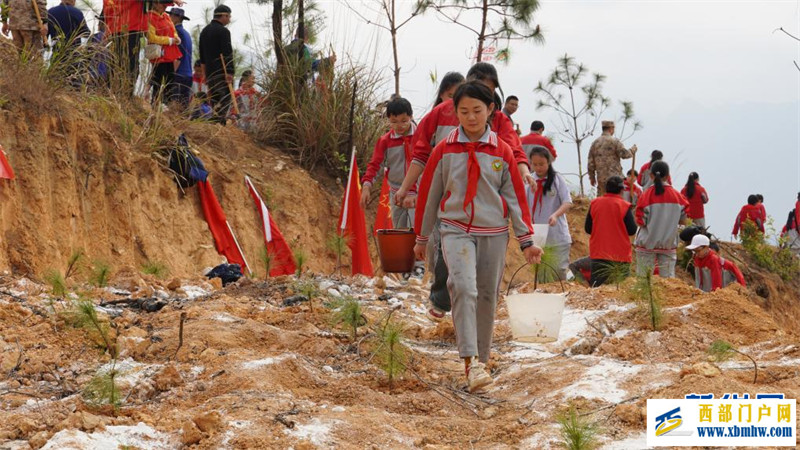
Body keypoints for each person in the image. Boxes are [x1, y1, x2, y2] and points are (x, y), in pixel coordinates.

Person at [412, 80, 542, 393]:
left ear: (491, 111)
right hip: (455, 229)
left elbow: (515, 199)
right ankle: (470, 360)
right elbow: (430, 194)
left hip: (494, 234)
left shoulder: (502, 151)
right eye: (464, 111)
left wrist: (526, 240)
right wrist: (421, 236)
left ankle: (482, 361)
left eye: (477, 111)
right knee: (463, 287)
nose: (471, 117)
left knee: (486, 296)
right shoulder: (445, 149)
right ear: (455, 112)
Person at [394, 62, 532, 321]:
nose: (476, 111)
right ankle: (442, 298)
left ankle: (471, 313)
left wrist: (524, 170)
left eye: (489, 93)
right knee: (447, 255)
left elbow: (513, 151)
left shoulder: (498, 119)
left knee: (479, 266)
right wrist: (405, 187)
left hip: (485, 202)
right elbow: (421, 154)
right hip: (448, 198)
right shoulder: (439, 115)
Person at [361, 97, 416, 229]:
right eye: (394, 122)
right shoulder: (385, 141)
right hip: (397, 193)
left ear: (411, 116)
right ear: (388, 121)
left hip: (418, 193)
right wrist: (367, 186)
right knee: (400, 232)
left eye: (404, 121)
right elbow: (376, 165)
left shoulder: (421, 137)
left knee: (416, 232)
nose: (399, 125)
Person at [634, 161, 688, 277]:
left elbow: (640, 221)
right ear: (668, 176)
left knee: (643, 280)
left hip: (647, 244)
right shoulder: (678, 197)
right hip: (668, 244)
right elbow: (683, 221)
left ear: (651, 175)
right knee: (668, 281)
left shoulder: (646, 195)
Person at [527, 146, 572, 279]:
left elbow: (567, 202)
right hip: (538, 237)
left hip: (557, 236)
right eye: (535, 164)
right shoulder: (529, 181)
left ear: (549, 162)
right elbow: (523, 205)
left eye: (541, 164)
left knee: (558, 274)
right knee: (541, 276)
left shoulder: (557, 179)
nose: (538, 168)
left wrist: (555, 215)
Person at [585, 176, 638, 286]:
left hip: (599, 254)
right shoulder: (624, 205)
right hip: (620, 256)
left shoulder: (595, 203)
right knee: (620, 293)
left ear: (606, 189)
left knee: (597, 291)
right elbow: (632, 230)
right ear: (621, 190)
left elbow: (588, 228)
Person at [199, 4, 234, 124]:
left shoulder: (204, 31)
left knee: (214, 99)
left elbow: (202, 55)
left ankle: (213, 122)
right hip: (221, 72)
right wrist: (229, 72)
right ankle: (220, 123)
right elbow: (227, 53)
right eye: (228, 16)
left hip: (209, 72)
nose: (229, 19)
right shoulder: (224, 32)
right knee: (224, 99)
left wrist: (204, 74)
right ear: (223, 16)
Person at [146, 0, 182, 105]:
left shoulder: (166, 16)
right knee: (159, 81)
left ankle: (165, 104)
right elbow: (151, 37)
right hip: (158, 54)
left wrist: (176, 38)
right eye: (163, 5)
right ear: (155, 3)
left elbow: (173, 31)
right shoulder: (149, 17)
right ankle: (156, 104)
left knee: (169, 80)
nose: (165, 7)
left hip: (169, 53)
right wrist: (169, 40)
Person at [587, 120, 637, 196]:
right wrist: (632, 150)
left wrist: (592, 177)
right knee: (616, 200)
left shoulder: (595, 143)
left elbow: (590, 163)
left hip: (601, 179)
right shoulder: (614, 141)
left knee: (602, 200)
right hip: (615, 180)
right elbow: (624, 154)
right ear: (611, 129)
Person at [168, 7, 192, 108]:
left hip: (179, 74)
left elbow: (177, 56)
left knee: (173, 106)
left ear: (177, 18)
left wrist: (171, 75)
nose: (169, 18)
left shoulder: (176, 33)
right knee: (183, 108)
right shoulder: (186, 34)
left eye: (171, 15)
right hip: (188, 74)